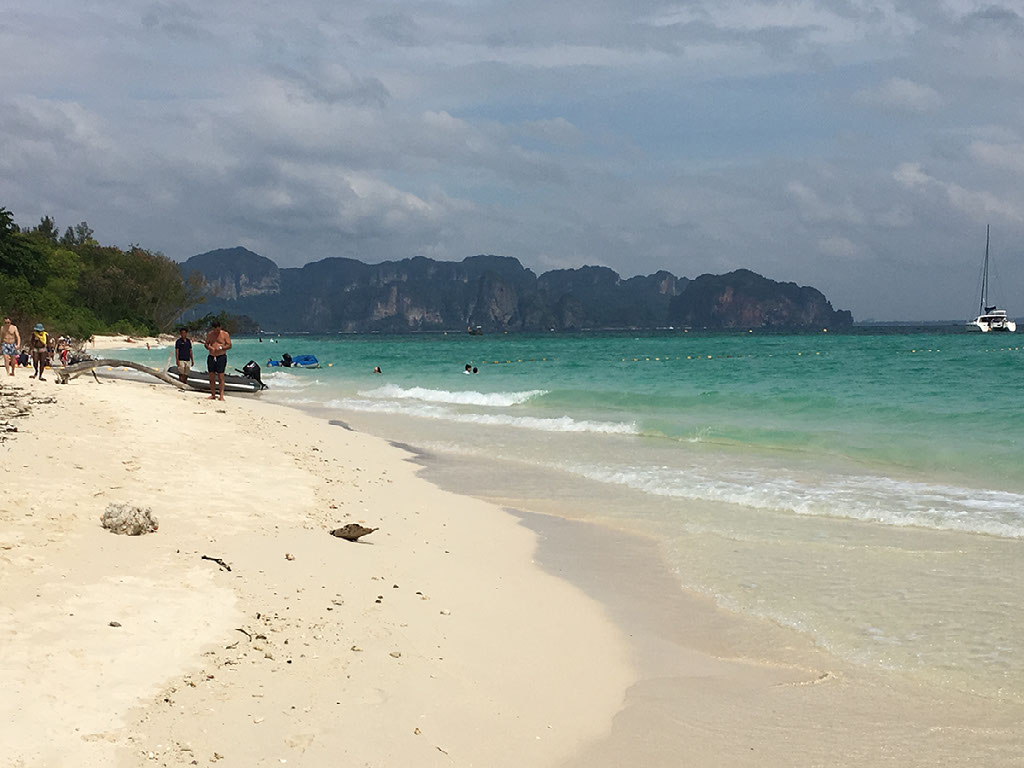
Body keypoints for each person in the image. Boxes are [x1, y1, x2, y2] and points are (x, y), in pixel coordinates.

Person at [204, 319, 232, 401]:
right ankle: (213, 394)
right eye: (214, 329)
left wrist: (221, 347)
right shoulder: (210, 334)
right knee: (211, 376)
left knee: (220, 376)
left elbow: (229, 345)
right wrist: (210, 347)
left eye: (217, 329)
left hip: (221, 356)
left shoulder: (225, 334)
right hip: (212, 356)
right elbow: (206, 344)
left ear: (220, 327)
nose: (216, 331)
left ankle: (221, 395)